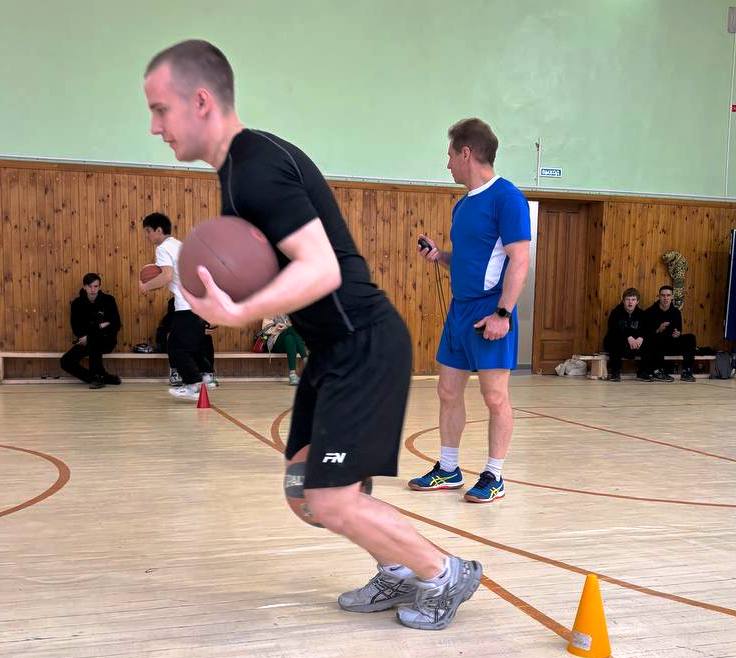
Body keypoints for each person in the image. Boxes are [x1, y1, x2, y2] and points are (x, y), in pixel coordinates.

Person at [143, 39, 482, 630]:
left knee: (329, 497)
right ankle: (397, 569)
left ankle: (442, 572)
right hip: (331, 349)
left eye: (160, 110)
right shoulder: (240, 169)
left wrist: (238, 311)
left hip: (363, 343)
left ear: (200, 101)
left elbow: (321, 269)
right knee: (306, 492)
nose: (154, 127)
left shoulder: (255, 169)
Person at [409, 118, 531, 504]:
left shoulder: (507, 198)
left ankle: (494, 475)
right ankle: (448, 468)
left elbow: (519, 260)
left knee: (495, 397)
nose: (447, 164)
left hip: (491, 311)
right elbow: (470, 260)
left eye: (449, 155)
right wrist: (441, 256)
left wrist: (503, 314)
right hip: (459, 311)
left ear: (466, 153)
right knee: (447, 390)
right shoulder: (462, 206)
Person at [140, 212, 216, 399]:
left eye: (148, 231)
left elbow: (166, 276)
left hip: (186, 306)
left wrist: (146, 286)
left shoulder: (163, 248)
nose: (146, 236)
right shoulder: (179, 245)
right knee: (190, 345)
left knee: (176, 348)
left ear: (159, 230)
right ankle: (206, 377)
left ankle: (192, 385)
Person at [60, 272, 121, 389]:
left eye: (96, 286)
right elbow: (77, 327)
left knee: (95, 342)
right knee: (65, 361)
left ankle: (98, 378)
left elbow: (115, 324)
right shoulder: (77, 304)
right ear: (84, 287)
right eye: (89, 286)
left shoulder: (108, 300)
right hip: (85, 340)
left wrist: (92, 333)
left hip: (107, 340)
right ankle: (99, 377)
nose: (93, 289)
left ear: (99, 286)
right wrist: (101, 326)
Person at [603, 287, 661, 382]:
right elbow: (613, 329)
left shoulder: (642, 314)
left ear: (637, 301)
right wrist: (628, 337)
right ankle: (615, 372)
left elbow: (648, 330)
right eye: (628, 299)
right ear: (623, 301)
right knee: (614, 339)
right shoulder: (616, 313)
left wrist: (641, 338)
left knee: (651, 341)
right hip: (620, 344)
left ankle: (643, 372)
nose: (630, 302)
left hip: (635, 345)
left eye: (633, 300)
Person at [645, 285, 697, 382]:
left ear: (672, 297)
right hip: (656, 345)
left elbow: (679, 330)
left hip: (671, 343)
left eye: (668, 295)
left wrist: (677, 334)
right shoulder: (650, 311)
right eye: (663, 295)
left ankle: (687, 371)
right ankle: (658, 371)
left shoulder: (676, 312)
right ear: (659, 296)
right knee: (655, 339)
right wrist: (658, 330)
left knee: (690, 338)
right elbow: (645, 334)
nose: (665, 298)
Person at [261, 314, 307, 385]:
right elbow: (265, 330)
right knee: (292, 329)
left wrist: (286, 326)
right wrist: (275, 328)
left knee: (289, 338)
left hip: (294, 345)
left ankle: (292, 375)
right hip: (276, 343)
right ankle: (305, 359)